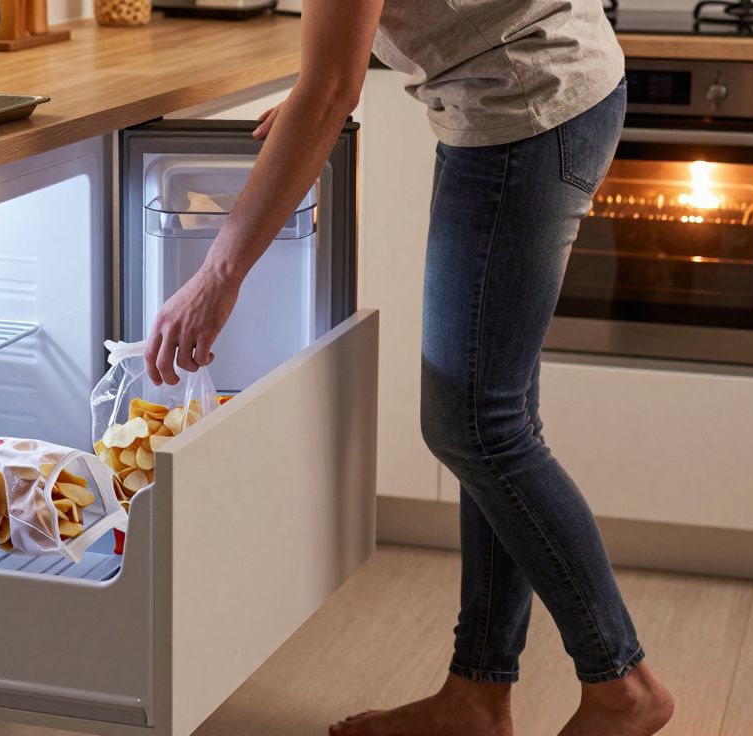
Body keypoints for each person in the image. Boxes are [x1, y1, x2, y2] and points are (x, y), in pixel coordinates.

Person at [141, 1, 676, 734]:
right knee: (495, 419)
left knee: (477, 427)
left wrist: (217, 276)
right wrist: (310, 101)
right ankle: (477, 696)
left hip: (526, 107)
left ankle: (624, 685)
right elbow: (334, 70)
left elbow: (334, 89)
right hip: (523, 92)